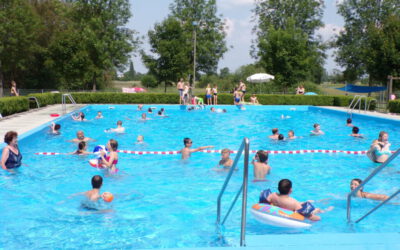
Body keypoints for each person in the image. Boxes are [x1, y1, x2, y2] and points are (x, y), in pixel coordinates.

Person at [259, 179, 329, 221]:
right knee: (317, 209)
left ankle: (310, 201)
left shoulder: (272, 195)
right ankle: (326, 210)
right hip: (292, 208)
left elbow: (263, 203)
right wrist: (319, 218)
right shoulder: (294, 202)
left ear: (278, 188)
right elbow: (306, 215)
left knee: (306, 202)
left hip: (285, 206)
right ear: (291, 190)